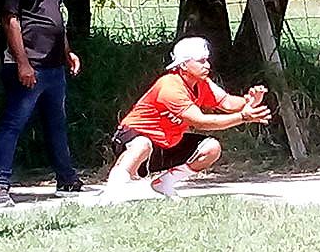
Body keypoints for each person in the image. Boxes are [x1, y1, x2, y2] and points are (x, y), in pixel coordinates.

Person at [0, 0, 84, 207]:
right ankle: (0, 186)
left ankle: (66, 178)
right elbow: (10, 20)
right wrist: (22, 63)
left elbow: (54, 15)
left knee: (56, 123)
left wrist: (66, 50)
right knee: (14, 123)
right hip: (29, 64)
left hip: (54, 64)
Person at [105, 36, 272, 198]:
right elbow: (201, 122)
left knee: (211, 148)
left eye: (207, 60)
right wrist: (243, 117)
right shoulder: (170, 86)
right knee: (142, 144)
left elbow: (227, 103)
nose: (207, 65)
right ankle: (112, 192)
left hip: (165, 145)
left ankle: (164, 183)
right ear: (184, 65)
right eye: (201, 61)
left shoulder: (201, 83)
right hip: (131, 138)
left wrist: (249, 101)